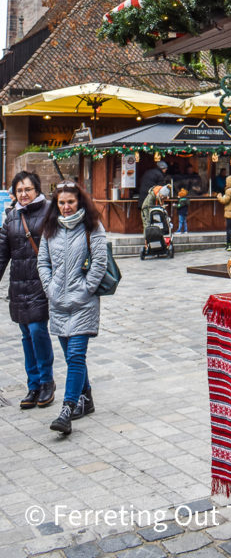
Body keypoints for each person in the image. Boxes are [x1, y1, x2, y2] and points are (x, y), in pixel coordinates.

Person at [37, 181, 108, 436]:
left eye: (71, 202)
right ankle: (86, 398)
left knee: (76, 356)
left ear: (79, 202)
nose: (66, 207)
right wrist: (50, 287)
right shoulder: (50, 229)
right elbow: (43, 262)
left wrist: (86, 289)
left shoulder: (93, 227)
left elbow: (100, 261)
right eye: (62, 203)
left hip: (83, 303)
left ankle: (67, 409)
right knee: (71, 357)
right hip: (57, 302)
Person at [0, 171, 55, 409]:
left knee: (37, 331)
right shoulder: (12, 217)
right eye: (19, 190)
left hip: (40, 283)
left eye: (28, 189)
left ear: (37, 190)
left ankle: (46, 382)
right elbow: (2, 253)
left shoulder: (48, 211)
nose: (23, 194)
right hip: (18, 285)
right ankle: (33, 385)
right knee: (25, 335)